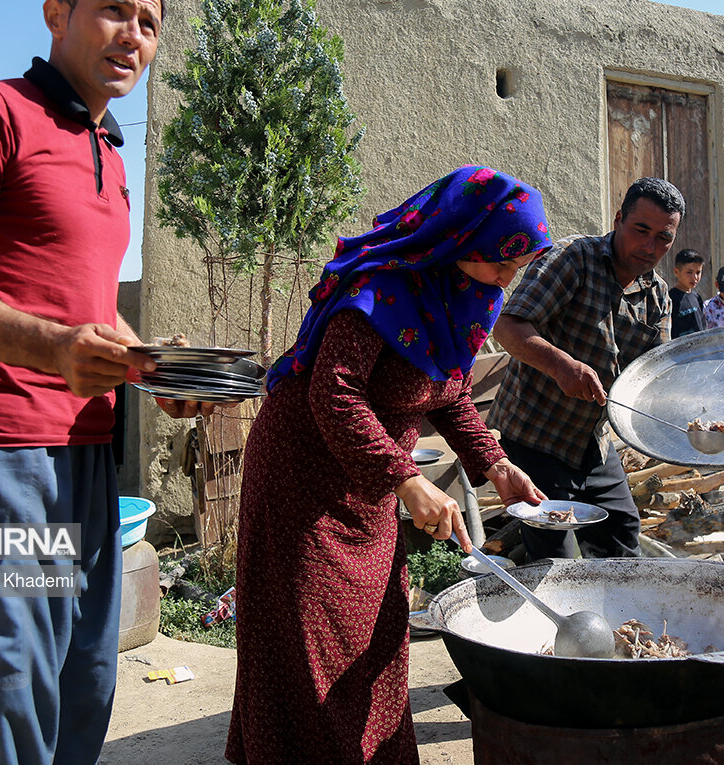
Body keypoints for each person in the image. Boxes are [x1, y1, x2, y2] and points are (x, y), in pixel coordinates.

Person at [0, 0, 195, 765]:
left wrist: (150, 369)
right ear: (56, 16)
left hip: (86, 466)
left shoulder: (113, 155)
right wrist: (57, 349)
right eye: (113, 11)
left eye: (150, 24)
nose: (133, 34)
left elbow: (83, 317)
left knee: (78, 691)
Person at [225, 166, 550, 764]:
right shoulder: (382, 287)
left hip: (370, 477)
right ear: (460, 237)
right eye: (499, 258)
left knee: (374, 628)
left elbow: (447, 390)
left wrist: (495, 461)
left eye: (519, 263)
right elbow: (335, 393)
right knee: (310, 636)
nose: (508, 277)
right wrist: (405, 478)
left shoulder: (471, 297)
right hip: (304, 472)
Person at [488, 177, 683, 561]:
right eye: (640, 230)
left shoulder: (658, 295)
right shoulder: (573, 258)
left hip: (592, 443)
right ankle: (553, 616)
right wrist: (561, 365)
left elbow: (654, 375)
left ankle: (624, 620)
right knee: (554, 554)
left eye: (663, 238)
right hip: (534, 435)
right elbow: (509, 327)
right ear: (618, 219)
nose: (649, 246)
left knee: (623, 528)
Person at [670, 248, 706, 338]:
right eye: (689, 272)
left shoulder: (696, 297)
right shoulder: (670, 299)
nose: (695, 277)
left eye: (698, 272)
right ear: (676, 272)